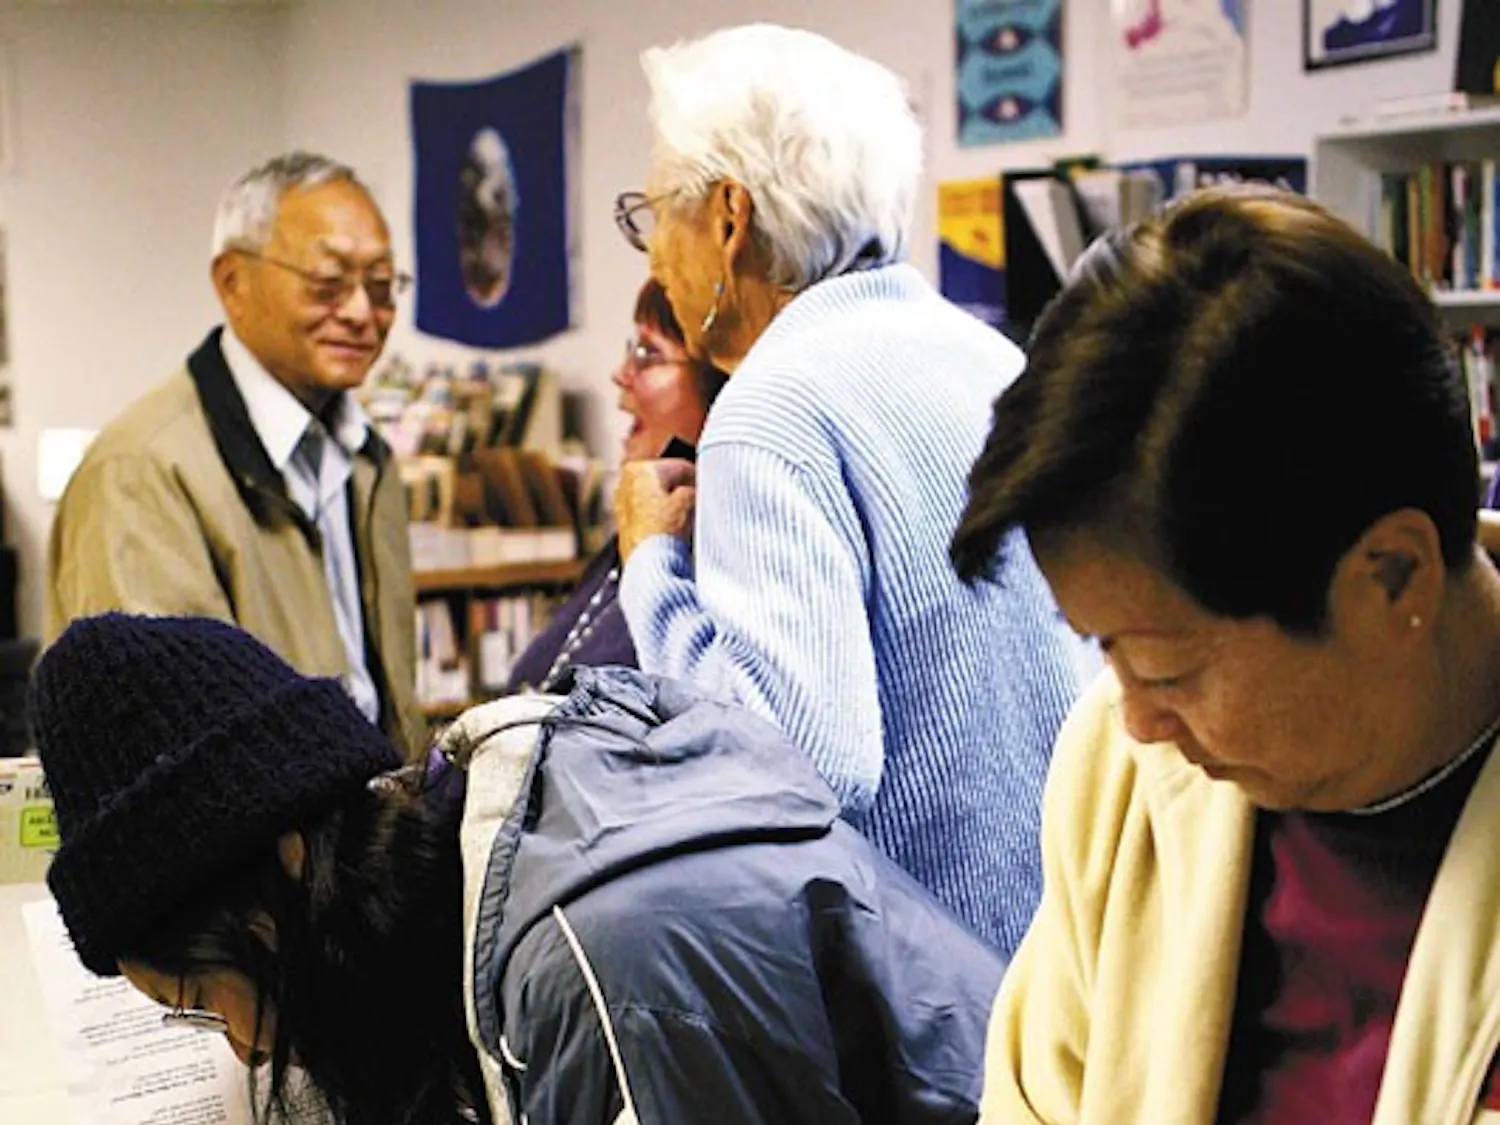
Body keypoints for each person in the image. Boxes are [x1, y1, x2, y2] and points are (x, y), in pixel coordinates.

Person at [950, 185, 1500, 1123]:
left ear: (1394, 578)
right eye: (1103, 651)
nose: (1137, 718)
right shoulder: (1121, 774)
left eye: (1168, 668)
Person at [30, 611, 1005, 1125]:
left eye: (204, 996)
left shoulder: (592, 949)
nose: (238, 1047)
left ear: (282, 872)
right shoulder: (490, 866)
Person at [609, 22, 1089, 956]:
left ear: (730, 216)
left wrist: (653, 566)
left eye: (657, 209)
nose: (652, 253)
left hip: (927, 995)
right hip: (1066, 956)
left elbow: (794, 766)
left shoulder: (771, 408)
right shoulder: (989, 358)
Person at [46, 151, 423, 757]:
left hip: (367, 839)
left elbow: (387, 699)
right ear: (232, 283)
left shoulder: (367, 460)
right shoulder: (141, 471)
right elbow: (157, 747)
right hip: (249, 850)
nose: (361, 313)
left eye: (381, 287)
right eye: (328, 285)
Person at [506, 278, 727, 693]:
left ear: (716, 380)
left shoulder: (721, 562)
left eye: (648, 354)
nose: (621, 374)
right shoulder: (639, 533)